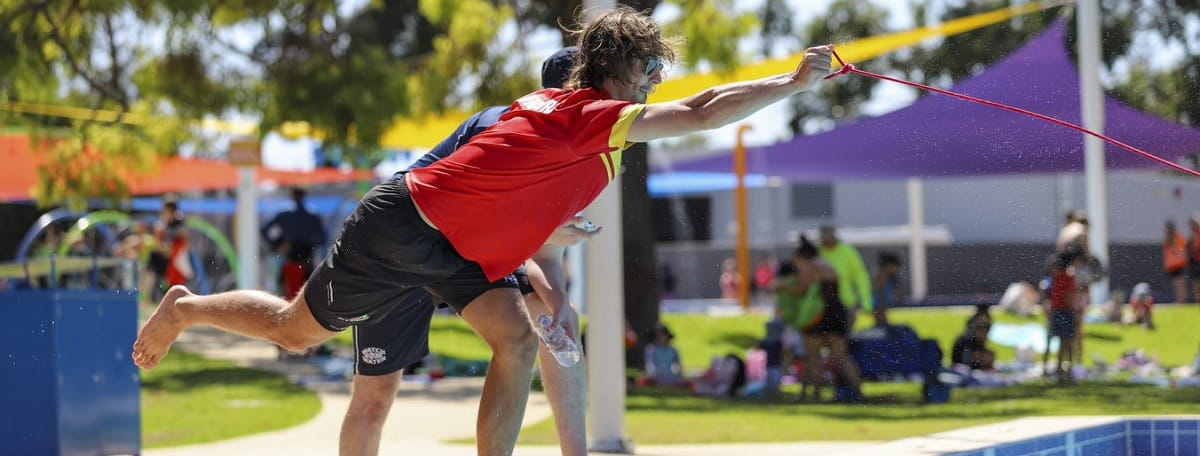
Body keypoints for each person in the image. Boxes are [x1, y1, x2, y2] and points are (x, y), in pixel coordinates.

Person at [133, 7, 835, 453]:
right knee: (294, 331)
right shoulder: (586, 113)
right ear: (616, 71)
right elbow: (703, 111)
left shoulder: (591, 132)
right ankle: (185, 307)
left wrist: (550, 267)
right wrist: (793, 84)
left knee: (517, 336)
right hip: (404, 226)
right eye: (649, 68)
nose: (657, 79)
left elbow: (519, 205)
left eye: (661, 68)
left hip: (456, 247)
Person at [339, 48, 593, 456]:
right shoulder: (510, 128)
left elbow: (544, 255)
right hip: (409, 245)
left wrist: (560, 299)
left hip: (464, 252)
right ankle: (198, 310)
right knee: (373, 394)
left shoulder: (576, 152)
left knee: (549, 319)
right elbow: (475, 213)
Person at [786, 236, 861, 403]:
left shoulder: (810, 267)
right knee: (841, 357)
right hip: (838, 311)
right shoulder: (827, 265)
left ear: (801, 257)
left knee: (813, 357)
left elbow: (802, 290)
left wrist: (781, 286)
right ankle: (858, 392)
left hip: (819, 315)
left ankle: (816, 396)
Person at [261, 187, 327, 300]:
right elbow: (322, 239)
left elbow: (264, 229)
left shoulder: (284, 213)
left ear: (292, 196)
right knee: (308, 292)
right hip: (306, 256)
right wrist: (312, 247)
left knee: (282, 291)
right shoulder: (312, 215)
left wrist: (276, 245)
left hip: (288, 255)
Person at [818, 225, 873, 332]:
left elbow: (861, 277)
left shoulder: (848, 252)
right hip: (822, 306)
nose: (827, 241)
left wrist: (866, 303)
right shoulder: (818, 253)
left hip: (845, 303)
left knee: (843, 339)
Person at [642, 323, 686, 388]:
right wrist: (653, 374)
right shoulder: (651, 349)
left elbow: (678, 365)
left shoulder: (673, 350)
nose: (660, 337)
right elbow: (650, 365)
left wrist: (678, 374)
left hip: (670, 376)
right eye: (658, 335)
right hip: (655, 376)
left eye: (662, 335)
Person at [871, 252, 902, 327]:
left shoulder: (891, 278)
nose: (897, 269)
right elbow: (880, 295)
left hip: (882, 307)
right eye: (895, 267)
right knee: (882, 326)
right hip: (879, 307)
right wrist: (881, 309)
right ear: (888, 266)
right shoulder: (882, 277)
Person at [1164, 220, 1189, 303]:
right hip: (1172, 266)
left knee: (1180, 284)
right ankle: (1179, 300)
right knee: (1175, 284)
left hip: (1179, 264)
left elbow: (1181, 250)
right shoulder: (1167, 238)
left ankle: (1182, 300)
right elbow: (1167, 253)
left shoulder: (1178, 237)